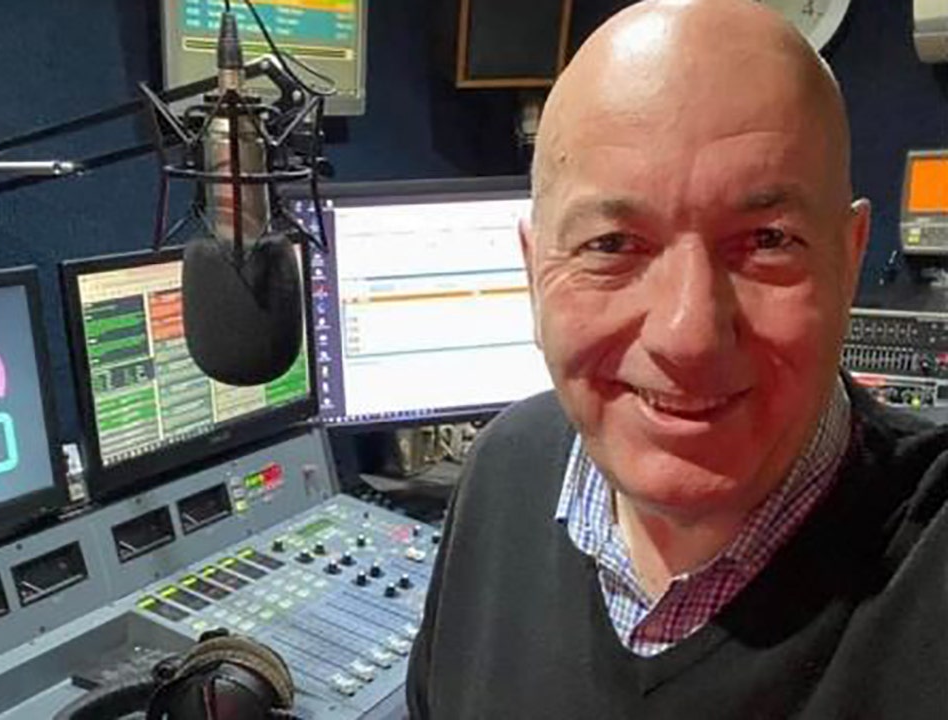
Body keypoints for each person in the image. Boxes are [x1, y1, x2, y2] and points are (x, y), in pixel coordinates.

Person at [406, 0, 948, 717]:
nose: (688, 335)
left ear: (848, 262)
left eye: (767, 241)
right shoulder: (504, 469)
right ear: (535, 273)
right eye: (611, 245)